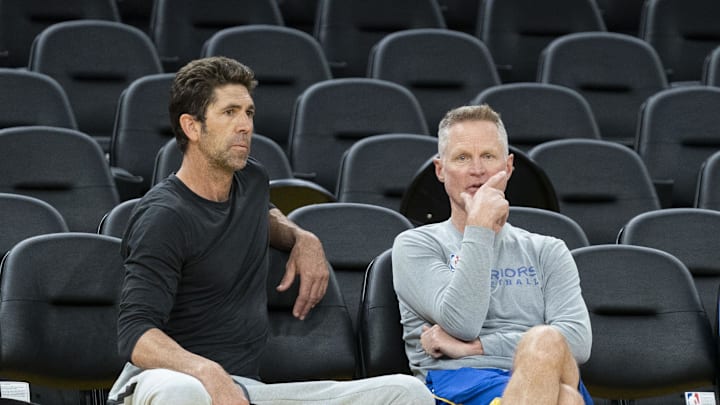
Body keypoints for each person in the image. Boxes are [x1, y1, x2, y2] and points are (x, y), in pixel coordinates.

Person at [107, 56, 434, 405]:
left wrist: (302, 238)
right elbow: (136, 335)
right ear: (192, 126)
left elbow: (265, 215)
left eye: (248, 113)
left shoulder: (251, 180)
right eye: (229, 112)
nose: (245, 125)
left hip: (248, 390)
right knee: (182, 392)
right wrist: (207, 372)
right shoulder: (163, 216)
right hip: (170, 382)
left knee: (406, 392)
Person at [392, 104, 593, 405]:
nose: (477, 170)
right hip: (459, 383)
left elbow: (577, 343)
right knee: (566, 398)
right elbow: (462, 322)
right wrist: (480, 229)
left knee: (548, 343)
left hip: (541, 374)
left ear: (508, 167)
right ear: (440, 170)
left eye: (488, 156)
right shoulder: (416, 245)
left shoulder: (548, 250)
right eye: (462, 158)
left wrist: (475, 347)